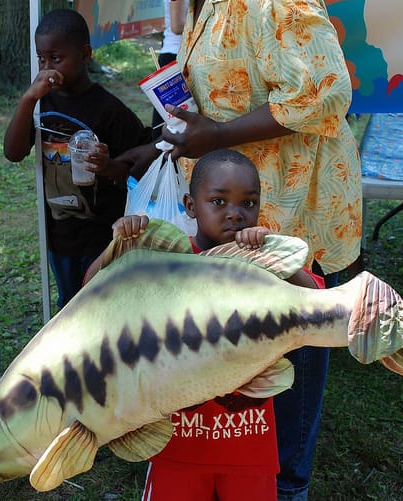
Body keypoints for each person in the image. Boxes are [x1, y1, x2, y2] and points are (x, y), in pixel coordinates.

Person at [118, 2, 362, 499]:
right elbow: (218, 96)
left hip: (284, 225)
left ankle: (285, 488)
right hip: (226, 235)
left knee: (288, 375)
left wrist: (221, 136)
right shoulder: (203, 6)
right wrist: (172, 144)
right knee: (243, 366)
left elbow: (325, 93)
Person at [85, 149, 324, 501]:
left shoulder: (265, 266)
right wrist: (118, 249)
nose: (235, 214)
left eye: (248, 203)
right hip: (176, 446)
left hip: (250, 443)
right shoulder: (170, 263)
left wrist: (275, 259)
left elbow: (318, 301)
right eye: (218, 201)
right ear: (191, 205)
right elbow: (90, 296)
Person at [3, 8, 151, 309]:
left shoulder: (110, 110)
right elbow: (13, 152)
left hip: (102, 233)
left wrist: (109, 165)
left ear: (85, 54)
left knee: (104, 303)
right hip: (59, 234)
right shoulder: (39, 103)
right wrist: (27, 99)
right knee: (69, 304)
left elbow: (140, 165)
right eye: (41, 59)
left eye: (56, 59)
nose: (47, 69)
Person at [151, 0, 187, 137]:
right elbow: (177, 27)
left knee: (179, 122)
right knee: (167, 123)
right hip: (174, 56)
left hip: (182, 54)